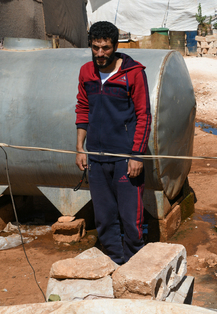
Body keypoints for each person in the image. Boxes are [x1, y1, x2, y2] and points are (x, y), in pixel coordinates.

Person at [75, 21, 151, 265]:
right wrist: (80, 149)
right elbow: (83, 109)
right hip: (96, 158)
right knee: (104, 217)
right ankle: (114, 262)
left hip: (125, 158)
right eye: (95, 47)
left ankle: (135, 264)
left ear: (115, 46)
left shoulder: (134, 73)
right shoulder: (86, 72)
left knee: (131, 217)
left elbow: (144, 115)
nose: (100, 54)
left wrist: (137, 155)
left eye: (105, 48)